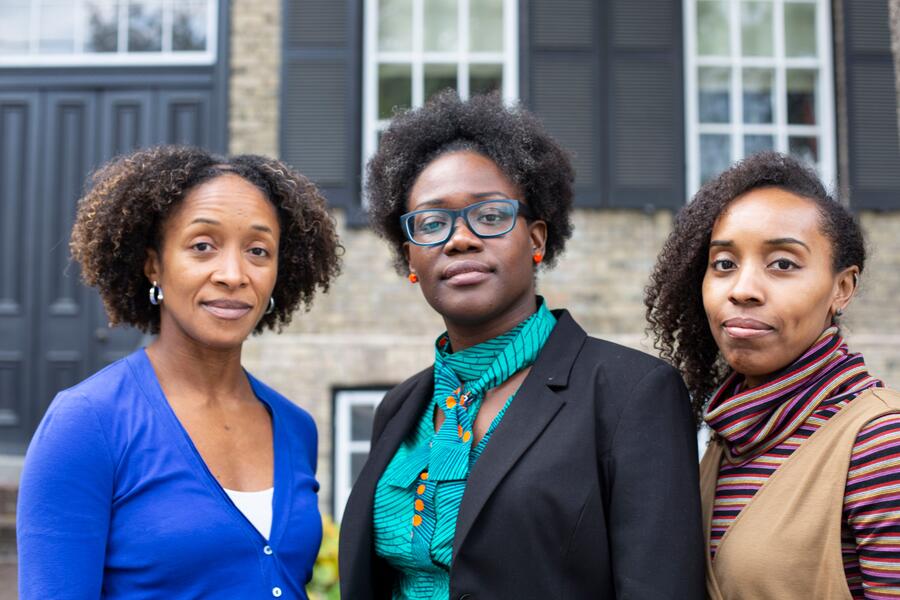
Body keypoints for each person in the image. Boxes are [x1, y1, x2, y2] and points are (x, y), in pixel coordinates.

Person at [339, 91, 705, 599]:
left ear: (536, 240)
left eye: (490, 216)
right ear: (410, 259)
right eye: (431, 222)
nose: (459, 239)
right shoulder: (400, 408)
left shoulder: (631, 394)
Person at [17, 146, 341, 598]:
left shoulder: (294, 427)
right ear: (155, 265)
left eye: (258, 250)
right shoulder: (88, 421)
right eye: (202, 246)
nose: (233, 273)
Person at [645, 151, 900, 599]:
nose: (742, 290)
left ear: (842, 288)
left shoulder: (881, 441)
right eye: (723, 264)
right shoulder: (723, 438)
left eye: (782, 263)